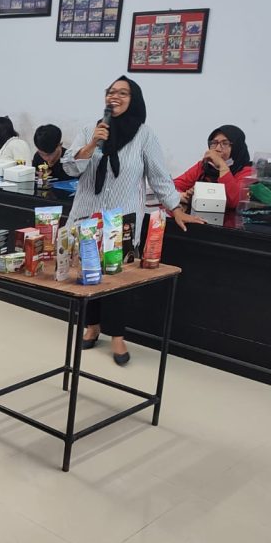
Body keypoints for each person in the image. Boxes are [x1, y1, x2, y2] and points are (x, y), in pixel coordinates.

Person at [62, 76, 204, 365]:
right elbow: (69, 167)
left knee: (117, 279)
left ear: (134, 99)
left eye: (123, 93)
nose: (115, 96)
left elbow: (159, 175)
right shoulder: (90, 130)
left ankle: (117, 336)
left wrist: (175, 208)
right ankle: (91, 326)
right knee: (87, 275)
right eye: (111, 92)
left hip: (121, 221)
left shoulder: (144, 135)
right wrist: (92, 144)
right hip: (86, 216)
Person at [173, 125, 255, 209]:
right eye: (214, 143)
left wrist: (222, 166)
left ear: (237, 147)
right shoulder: (204, 166)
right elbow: (171, 188)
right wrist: (184, 196)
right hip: (200, 215)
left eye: (225, 143)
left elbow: (235, 202)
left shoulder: (248, 171)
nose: (218, 148)